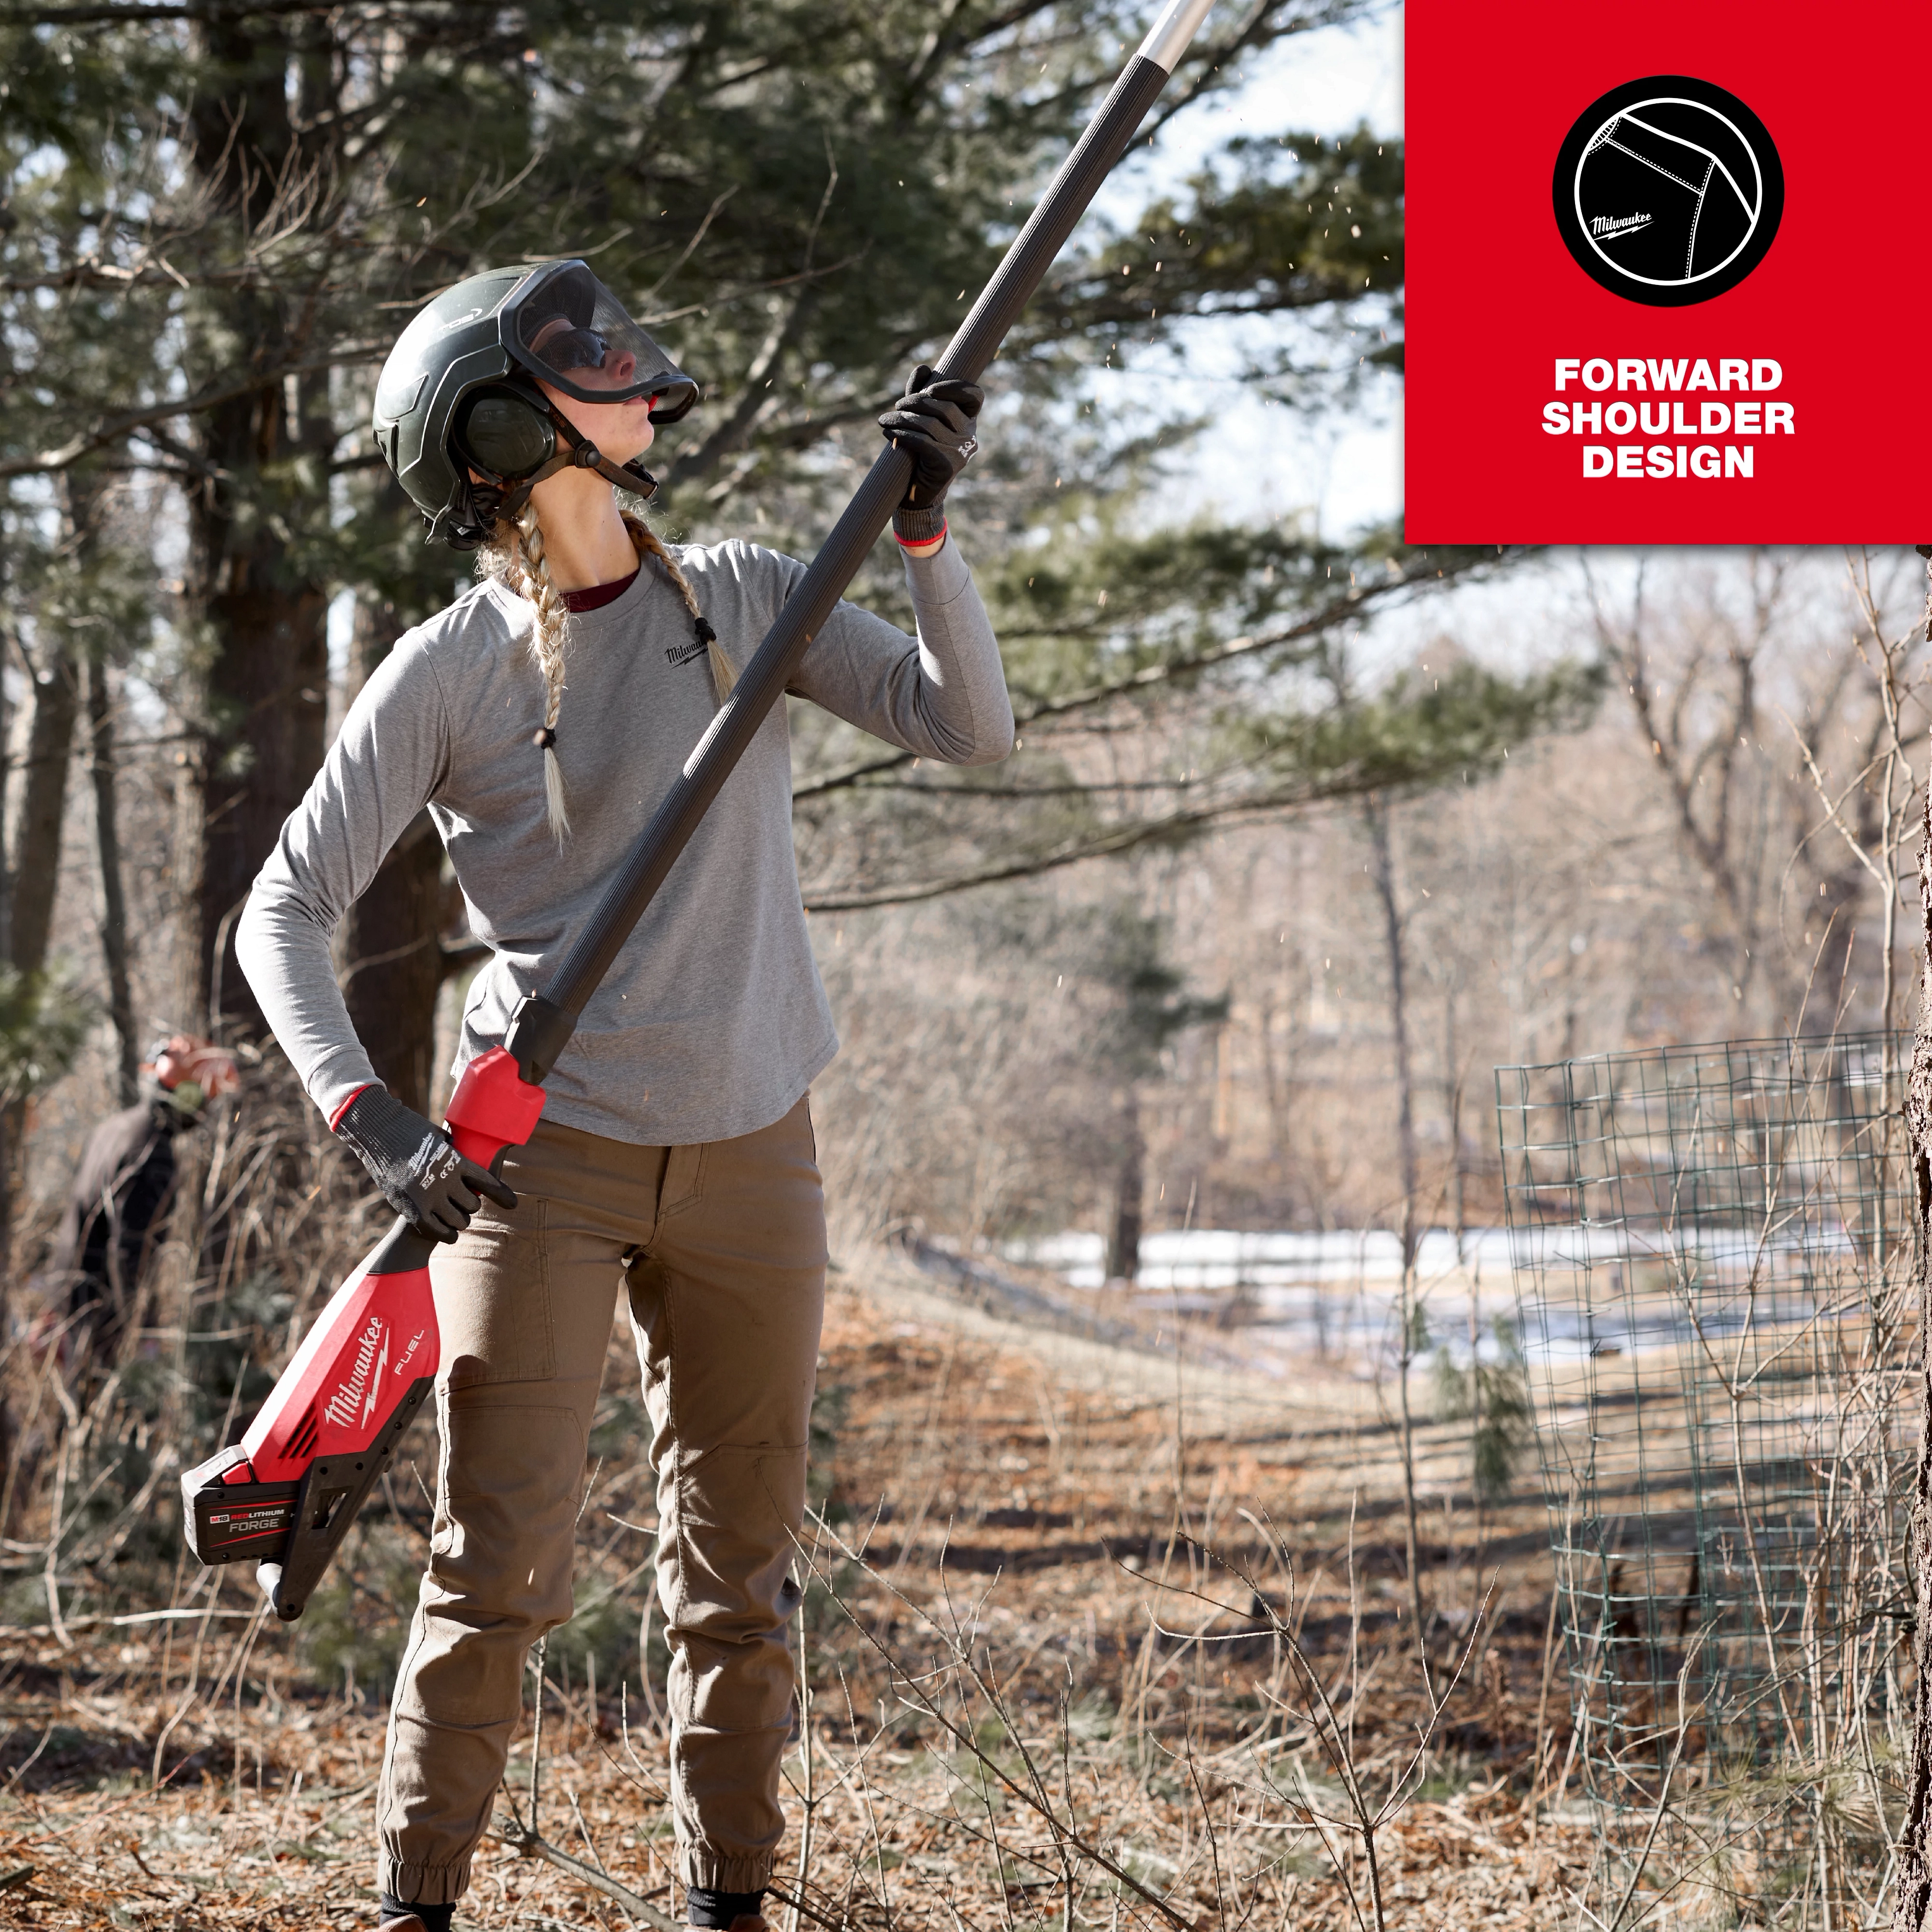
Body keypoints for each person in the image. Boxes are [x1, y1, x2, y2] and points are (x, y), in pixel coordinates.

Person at [235, 259, 1012, 1932]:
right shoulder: (449, 674)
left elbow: (970, 726)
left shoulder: (741, 594)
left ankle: (730, 1902)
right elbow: (280, 908)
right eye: (584, 366)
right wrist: (366, 1118)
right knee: (494, 1564)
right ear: (505, 433)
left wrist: (929, 531)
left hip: (755, 1150)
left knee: (740, 1576)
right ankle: (415, 1907)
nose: (633, 374)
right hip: (541, 1173)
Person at [48, 1035, 240, 1362]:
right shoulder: (152, 1153)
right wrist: (142, 1336)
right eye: (203, 1097)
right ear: (187, 1096)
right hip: (101, 1318)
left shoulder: (115, 1128)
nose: (204, 1109)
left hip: (68, 1296)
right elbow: (130, 1253)